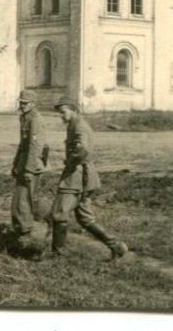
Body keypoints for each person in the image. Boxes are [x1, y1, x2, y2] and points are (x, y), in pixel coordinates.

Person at [50, 96, 128, 259]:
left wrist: (71, 161)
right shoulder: (74, 124)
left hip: (75, 177)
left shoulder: (79, 126)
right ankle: (116, 246)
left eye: (63, 112)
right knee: (85, 217)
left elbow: (82, 149)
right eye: (59, 113)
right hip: (82, 176)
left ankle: (58, 255)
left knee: (59, 213)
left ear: (73, 110)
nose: (61, 116)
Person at [10, 89, 47, 242]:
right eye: (21, 103)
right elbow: (22, 144)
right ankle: (24, 230)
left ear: (33, 104)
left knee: (22, 201)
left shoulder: (35, 120)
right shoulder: (25, 118)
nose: (22, 106)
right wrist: (16, 164)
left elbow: (35, 147)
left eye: (25, 103)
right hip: (24, 164)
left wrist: (28, 169)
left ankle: (25, 234)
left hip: (31, 166)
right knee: (21, 200)